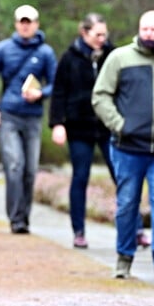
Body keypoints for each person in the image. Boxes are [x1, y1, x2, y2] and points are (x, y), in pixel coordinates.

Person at [92, 10, 154, 282]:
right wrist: (119, 124)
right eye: (145, 28)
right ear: (138, 29)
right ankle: (124, 256)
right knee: (127, 204)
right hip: (127, 147)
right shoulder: (120, 58)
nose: (149, 33)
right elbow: (100, 95)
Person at [0, 4, 57, 234]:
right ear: (16, 24)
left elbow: (56, 83)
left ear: (36, 24)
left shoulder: (45, 53)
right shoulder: (2, 49)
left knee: (30, 170)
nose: (25, 26)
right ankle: (15, 218)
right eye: (22, 22)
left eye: (30, 22)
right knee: (14, 165)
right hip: (9, 115)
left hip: (33, 117)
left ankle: (24, 215)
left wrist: (41, 93)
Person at [48, 13, 116, 249]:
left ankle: (135, 228)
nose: (102, 39)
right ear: (84, 33)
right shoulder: (69, 58)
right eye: (97, 35)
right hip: (79, 127)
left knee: (123, 177)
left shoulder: (112, 55)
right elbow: (59, 92)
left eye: (104, 35)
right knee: (80, 176)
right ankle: (79, 230)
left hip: (108, 126)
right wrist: (57, 123)